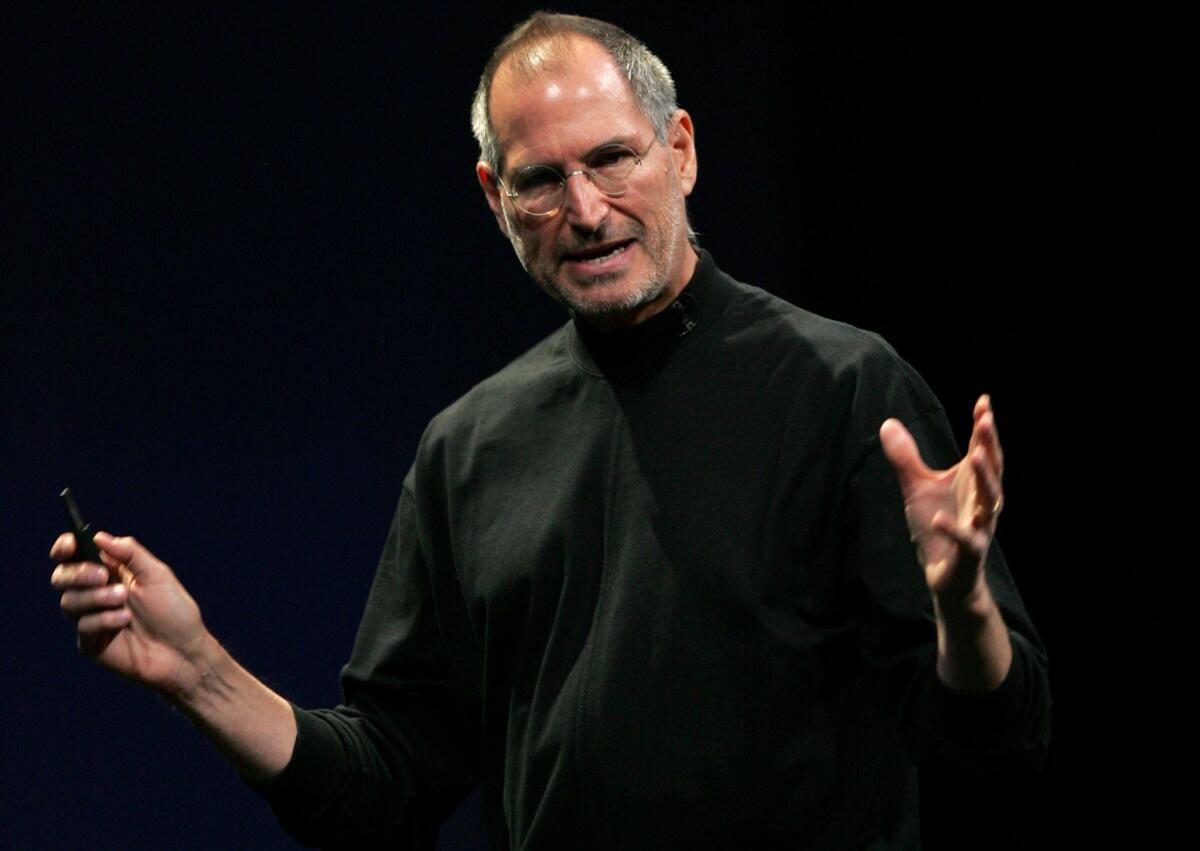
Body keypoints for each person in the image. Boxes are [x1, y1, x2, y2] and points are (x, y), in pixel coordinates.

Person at [50, 12, 1049, 849]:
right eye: (539, 180)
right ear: (495, 199)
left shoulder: (842, 386)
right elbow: (386, 779)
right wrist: (202, 674)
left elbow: (997, 741)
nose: (584, 208)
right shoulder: (471, 447)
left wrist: (961, 602)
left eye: (614, 158)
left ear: (683, 151)